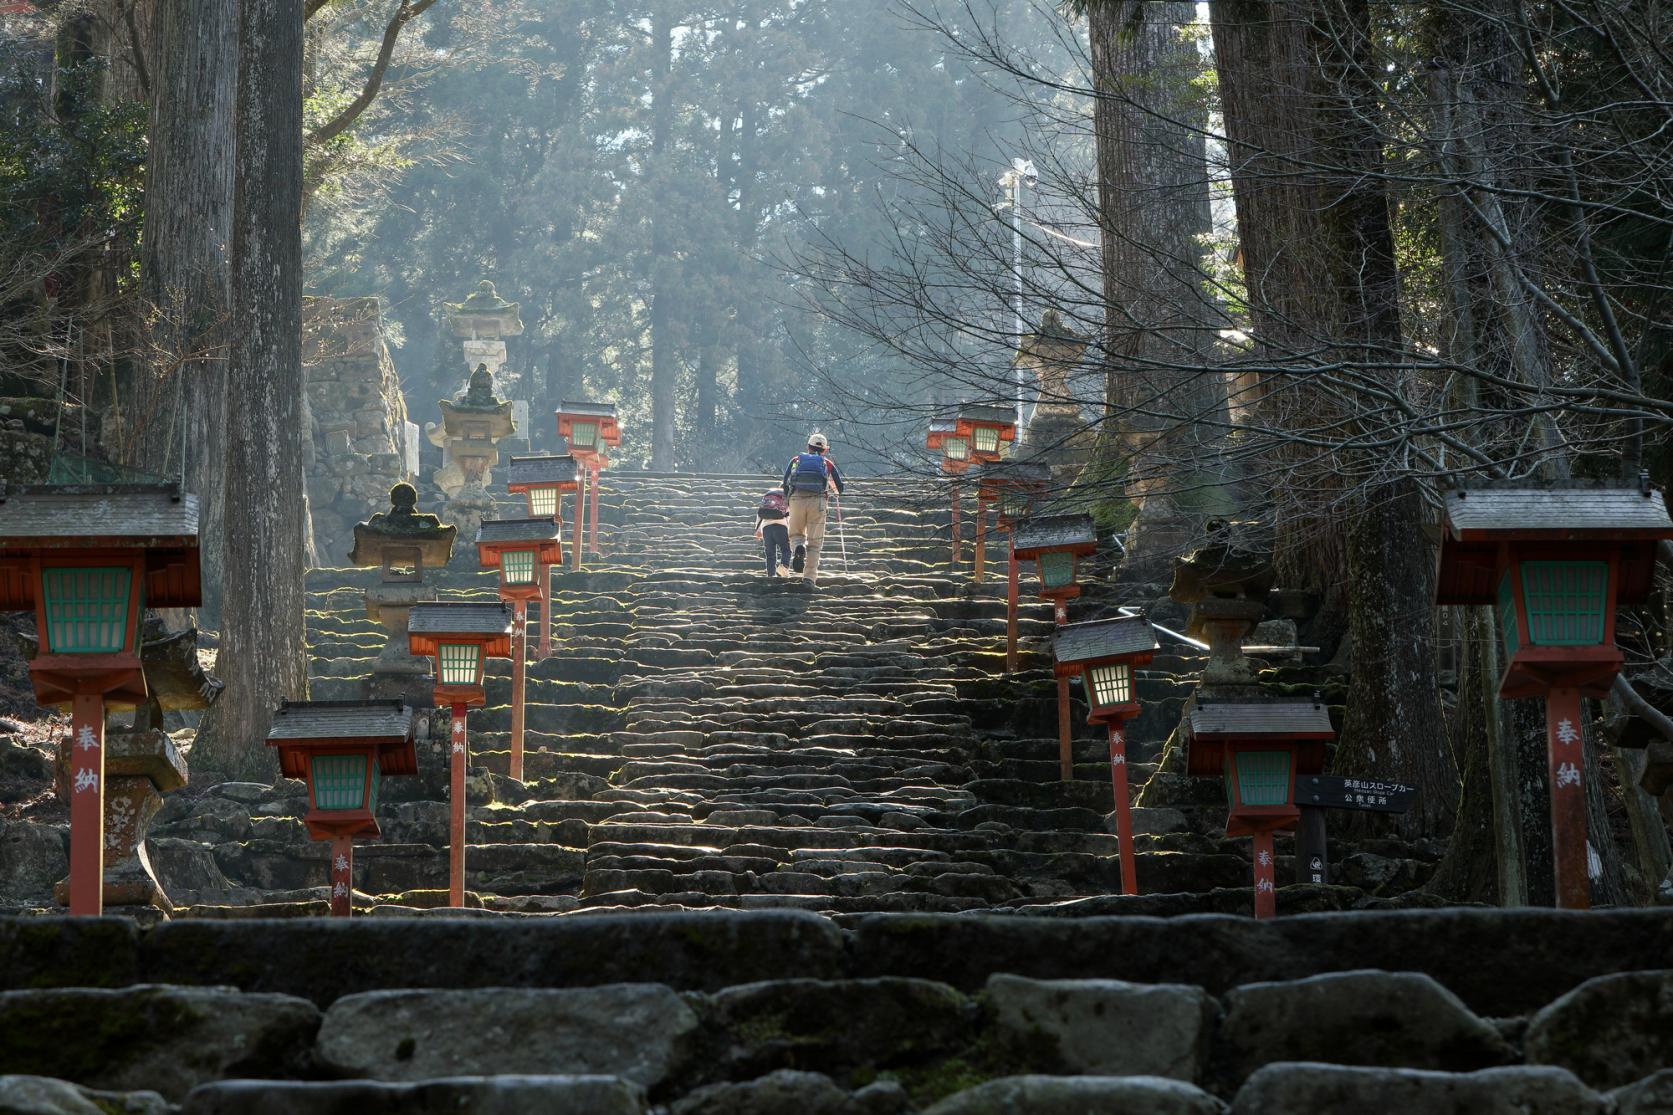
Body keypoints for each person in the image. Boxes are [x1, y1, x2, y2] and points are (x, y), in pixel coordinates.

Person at [781, 431, 844, 585]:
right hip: (818, 502)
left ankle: (798, 548)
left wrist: (789, 500)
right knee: (815, 543)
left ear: (807, 447)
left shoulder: (796, 460)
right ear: (824, 450)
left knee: (795, 534)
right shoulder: (827, 464)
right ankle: (809, 578)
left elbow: (785, 482)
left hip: (796, 500)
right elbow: (839, 489)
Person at [755, 489, 792, 577]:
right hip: (781, 527)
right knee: (786, 549)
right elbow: (790, 516)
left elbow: (759, 514)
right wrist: (791, 533)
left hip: (766, 528)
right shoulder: (785, 498)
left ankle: (771, 574)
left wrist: (758, 530)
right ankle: (783, 567)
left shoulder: (768, 499)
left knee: (770, 553)